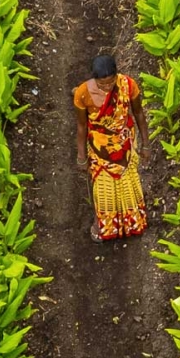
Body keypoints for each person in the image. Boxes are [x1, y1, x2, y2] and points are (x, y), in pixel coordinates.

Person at [75, 55, 149, 242]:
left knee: (128, 186)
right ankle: (101, 224)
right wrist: (82, 156)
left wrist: (146, 145)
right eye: (102, 84)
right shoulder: (83, 94)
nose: (107, 87)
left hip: (124, 146)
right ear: (94, 79)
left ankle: (129, 223)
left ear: (117, 76)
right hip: (100, 150)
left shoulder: (128, 86)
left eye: (111, 83)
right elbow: (82, 126)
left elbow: (139, 113)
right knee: (103, 191)